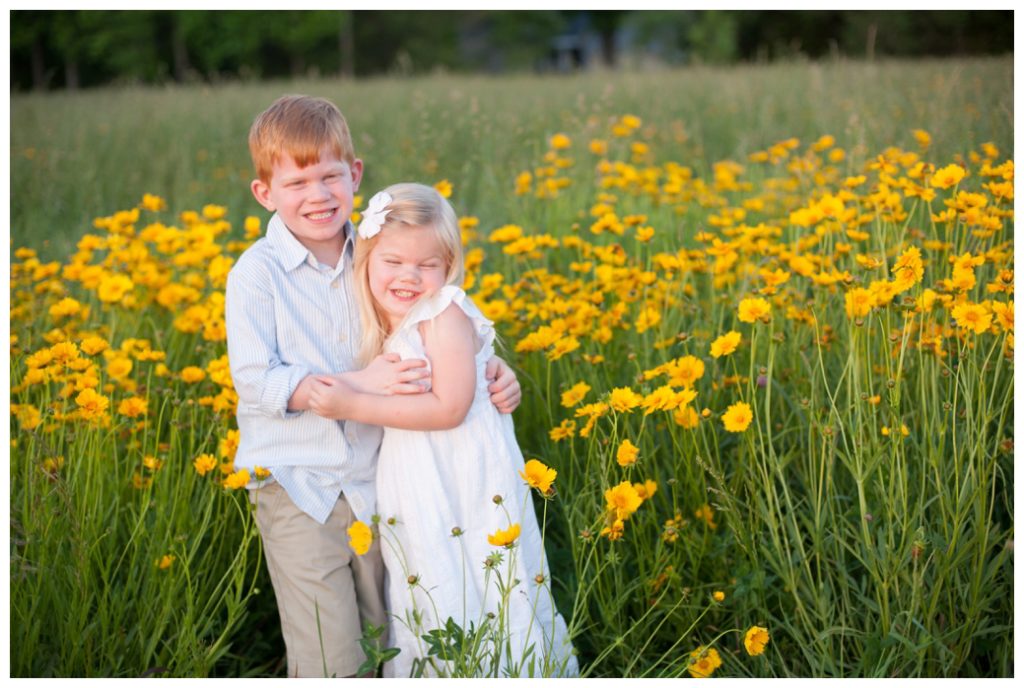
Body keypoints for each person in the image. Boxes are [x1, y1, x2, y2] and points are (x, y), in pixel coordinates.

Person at [225, 95, 522, 678]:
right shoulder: (256, 275)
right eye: (297, 182)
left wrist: (491, 366)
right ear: (266, 193)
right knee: (331, 656)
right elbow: (257, 383)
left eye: (331, 176)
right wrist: (356, 386)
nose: (317, 196)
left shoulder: (378, 251)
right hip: (299, 485)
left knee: (386, 637)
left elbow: (433, 323)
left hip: (377, 481)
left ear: (355, 176)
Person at [307, 183, 578, 678]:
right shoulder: (392, 322)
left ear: (448, 266)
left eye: (426, 265)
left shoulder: (442, 312)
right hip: (418, 480)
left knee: (480, 577)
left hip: (462, 478)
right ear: (367, 258)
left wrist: (354, 403)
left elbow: (451, 407)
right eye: (393, 262)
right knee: (431, 579)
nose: (408, 276)